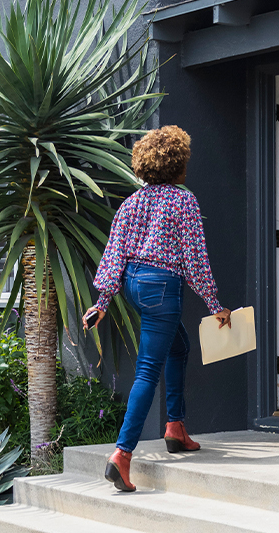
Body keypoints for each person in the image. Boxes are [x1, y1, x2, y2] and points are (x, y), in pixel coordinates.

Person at [81, 125, 230, 493]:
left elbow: (114, 253)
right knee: (148, 370)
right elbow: (195, 261)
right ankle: (122, 454)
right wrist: (216, 306)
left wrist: (102, 302)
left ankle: (175, 428)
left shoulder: (133, 202)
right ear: (178, 164)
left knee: (178, 346)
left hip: (134, 285)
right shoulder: (184, 202)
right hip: (163, 286)